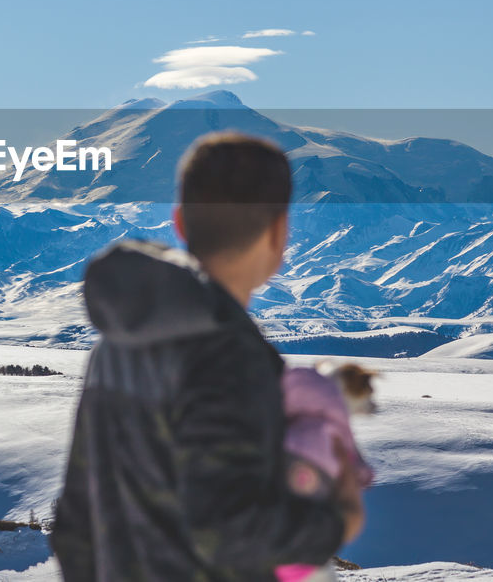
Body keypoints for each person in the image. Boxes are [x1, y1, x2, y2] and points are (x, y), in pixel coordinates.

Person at [51, 132, 364, 581]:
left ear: (179, 222)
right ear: (280, 231)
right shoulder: (229, 357)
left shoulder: (117, 344)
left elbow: (74, 522)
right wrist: (338, 520)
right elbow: (229, 532)